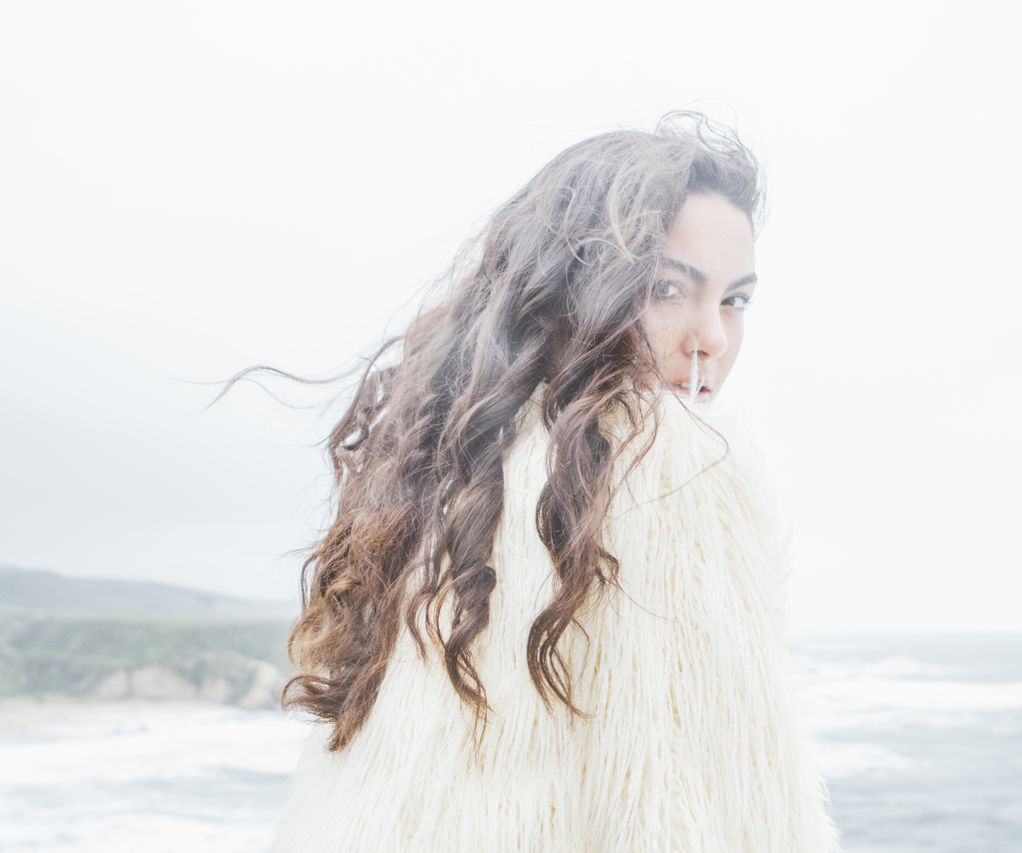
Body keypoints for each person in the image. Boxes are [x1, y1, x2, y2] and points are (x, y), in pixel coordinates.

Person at [267, 112, 838, 851]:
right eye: (668, 289)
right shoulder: (665, 467)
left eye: (734, 300)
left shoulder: (446, 477)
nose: (714, 339)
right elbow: (720, 809)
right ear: (577, 286)